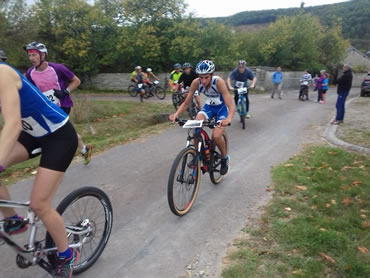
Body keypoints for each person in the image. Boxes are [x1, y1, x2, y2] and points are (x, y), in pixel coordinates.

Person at [0, 62, 79, 277]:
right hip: (32, 134)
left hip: (59, 136)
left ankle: (67, 256)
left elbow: (13, 124)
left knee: (39, 204)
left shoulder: (2, 73)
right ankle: (13, 221)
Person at [24, 41, 92, 165]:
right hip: (46, 108)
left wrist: (65, 91)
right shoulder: (30, 73)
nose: (31, 58)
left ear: (43, 55)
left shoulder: (58, 68)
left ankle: (48, 152)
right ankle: (84, 149)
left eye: (34, 55)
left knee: (57, 131)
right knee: (64, 132)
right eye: (29, 55)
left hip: (63, 105)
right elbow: (33, 91)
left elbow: (76, 81)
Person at [170, 60, 234, 175]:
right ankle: (197, 154)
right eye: (201, 77)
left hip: (222, 109)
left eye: (206, 77)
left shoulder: (219, 82)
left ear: (212, 75)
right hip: (208, 107)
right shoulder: (196, 82)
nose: (203, 81)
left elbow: (230, 105)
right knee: (196, 126)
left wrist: (228, 118)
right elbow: (186, 103)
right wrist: (176, 114)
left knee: (216, 135)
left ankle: (225, 158)